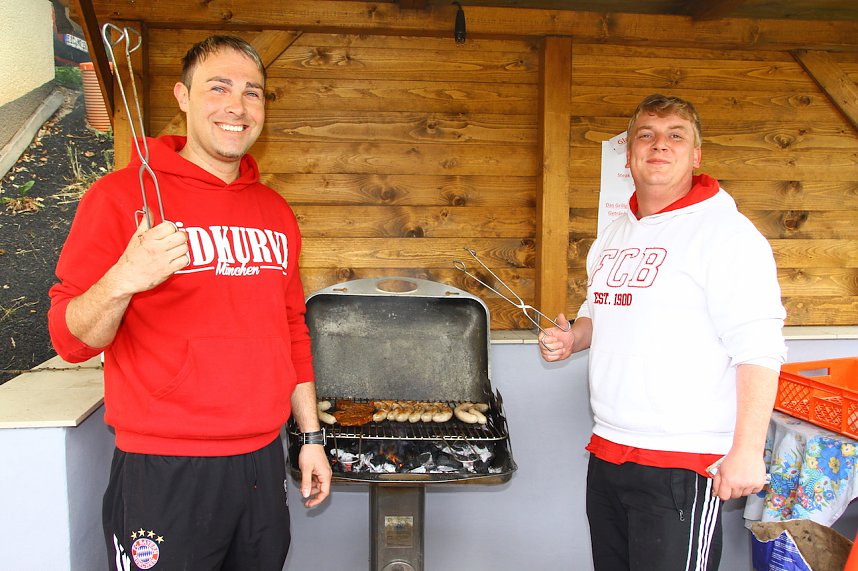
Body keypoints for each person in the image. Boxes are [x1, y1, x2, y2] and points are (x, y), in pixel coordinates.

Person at [48, 35, 331, 571]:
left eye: (253, 93)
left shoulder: (275, 212)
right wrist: (123, 279)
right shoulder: (119, 197)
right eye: (218, 87)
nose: (237, 106)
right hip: (164, 465)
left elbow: (292, 330)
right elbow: (70, 339)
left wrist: (309, 437)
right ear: (182, 95)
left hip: (260, 463)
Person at [539, 94, 786, 570]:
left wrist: (748, 451)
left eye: (676, 135)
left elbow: (759, 347)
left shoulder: (728, 235)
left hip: (684, 461)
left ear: (695, 156)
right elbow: (598, 309)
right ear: (628, 154)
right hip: (609, 450)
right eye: (646, 135)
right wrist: (575, 337)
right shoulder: (614, 234)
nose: (659, 145)